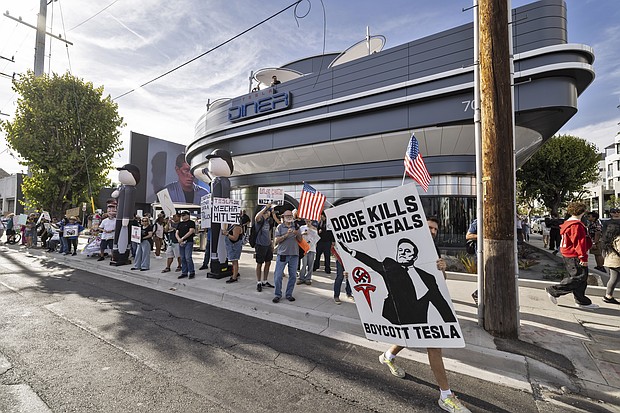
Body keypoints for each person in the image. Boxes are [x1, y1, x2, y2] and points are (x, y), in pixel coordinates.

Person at [375, 217, 471, 413]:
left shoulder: (431, 251)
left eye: (435, 229)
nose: (433, 231)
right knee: (432, 346)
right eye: (429, 227)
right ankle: (446, 396)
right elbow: (377, 265)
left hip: (422, 309)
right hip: (400, 309)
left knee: (416, 337)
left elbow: (438, 282)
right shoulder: (400, 251)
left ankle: (387, 356)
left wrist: (443, 270)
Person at [338, 233, 456, 326]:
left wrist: (451, 325)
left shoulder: (428, 277)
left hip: (417, 322)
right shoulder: (390, 265)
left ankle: (389, 354)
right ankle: (388, 354)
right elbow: (372, 263)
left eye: (407, 251)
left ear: (415, 257)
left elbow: (441, 304)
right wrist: (352, 253)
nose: (402, 253)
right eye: (400, 250)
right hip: (391, 319)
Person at [546, 202, 598, 309]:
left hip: (568, 253)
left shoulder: (568, 223)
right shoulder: (576, 225)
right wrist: (583, 257)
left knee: (580, 278)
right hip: (574, 254)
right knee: (579, 277)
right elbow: (579, 242)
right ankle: (554, 290)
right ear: (583, 211)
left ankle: (582, 301)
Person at [272, 210, 302, 303]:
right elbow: (276, 240)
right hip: (282, 254)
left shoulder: (296, 226)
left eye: (290, 215)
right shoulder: (280, 227)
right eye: (287, 215)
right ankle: (277, 294)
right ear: (283, 217)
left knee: (293, 276)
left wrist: (297, 234)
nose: (289, 217)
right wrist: (286, 235)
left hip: (294, 255)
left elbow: (300, 240)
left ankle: (289, 294)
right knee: (278, 276)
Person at [254, 205, 278, 292]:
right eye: (267, 212)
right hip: (260, 245)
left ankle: (265, 280)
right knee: (259, 263)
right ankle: (259, 282)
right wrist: (266, 207)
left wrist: (271, 243)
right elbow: (257, 217)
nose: (268, 213)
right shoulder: (260, 220)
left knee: (268, 262)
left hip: (267, 245)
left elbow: (269, 232)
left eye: (269, 211)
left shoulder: (269, 221)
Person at [601, 222, 620, 305]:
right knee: (614, 279)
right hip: (617, 261)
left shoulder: (608, 238)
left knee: (614, 279)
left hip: (610, 261)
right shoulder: (618, 238)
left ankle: (608, 296)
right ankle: (608, 296)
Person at [297, 220, 320, 285]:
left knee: (310, 264)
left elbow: (316, 239)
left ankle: (308, 278)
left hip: (311, 248)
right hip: (304, 248)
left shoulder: (314, 229)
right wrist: (302, 234)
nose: (308, 222)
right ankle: (301, 278)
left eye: (309, 221)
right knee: (303, 264)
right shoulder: (302, 228)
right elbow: (298, 237)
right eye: (307, 221)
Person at [176, 210, 196, 279]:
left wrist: (182, 238)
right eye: (182, 215)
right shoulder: (180, 223)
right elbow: (177, 232)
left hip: (188, 241)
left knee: (188, 257)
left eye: (184, 215)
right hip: (181, 242)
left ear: (188, 215)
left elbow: (191, 231)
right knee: (182, 258)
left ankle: (191, 272)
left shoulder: (191, 222)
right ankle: (184, 272)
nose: (183, 216)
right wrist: (179, 239)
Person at [466, 218, 478, 305]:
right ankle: (477, 294)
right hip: (481, 253)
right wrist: (481, 235)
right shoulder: (477, 222)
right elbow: (468, 235)